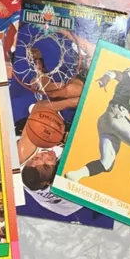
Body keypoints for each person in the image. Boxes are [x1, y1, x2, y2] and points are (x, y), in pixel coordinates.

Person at [65, 67, 130, 189]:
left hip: (106, 119)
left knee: (106, 163)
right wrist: (106, 78)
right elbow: (118, 74)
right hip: (119, 115)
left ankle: (75, 175)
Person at [18, 80, 84, 217]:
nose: (46, 156)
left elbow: (39, 108)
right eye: (48, 164)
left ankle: (47, 83)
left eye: (38, 158)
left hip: (50, 194)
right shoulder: (73, 181)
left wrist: (72, 102)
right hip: (70, 206)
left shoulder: (24, 154)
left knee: (68, 93)